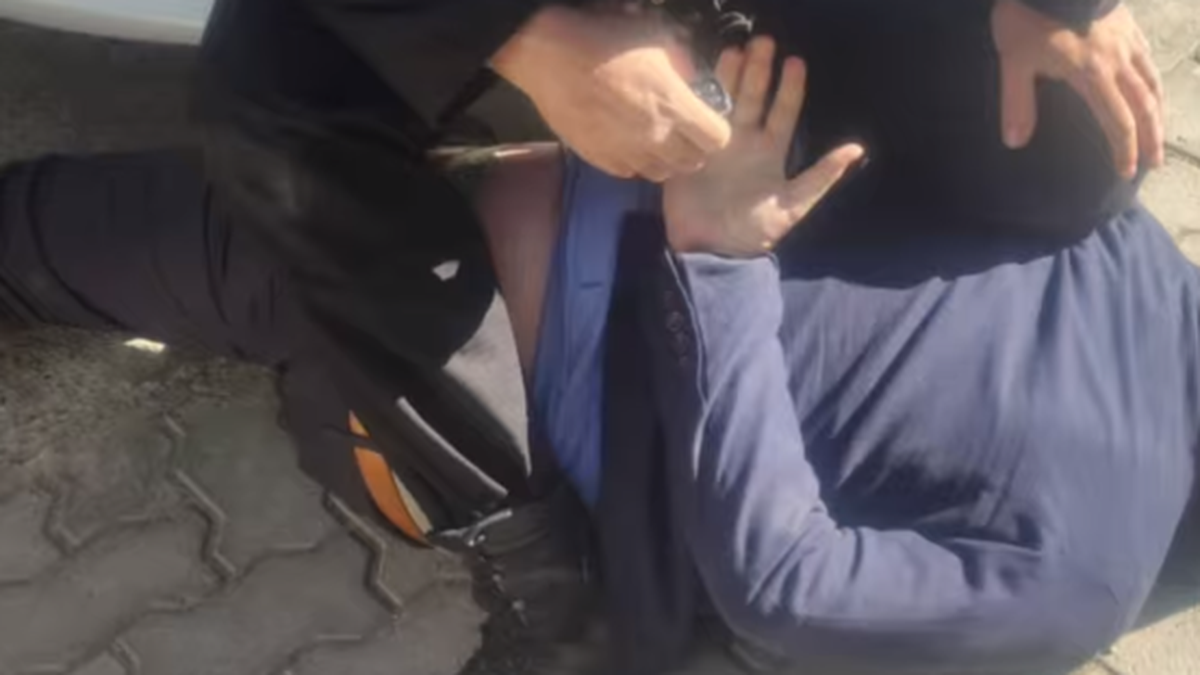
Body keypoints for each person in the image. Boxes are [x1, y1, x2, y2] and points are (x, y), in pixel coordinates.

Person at [188, 0, 1170, 667]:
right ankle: (545, 574)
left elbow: (787, 582)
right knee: (264, 86)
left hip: (637, 310)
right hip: (627, 266)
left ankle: (555, 587)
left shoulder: (1080, 552)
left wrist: (1061, 8)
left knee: (1072, 149)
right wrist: (524, 36)